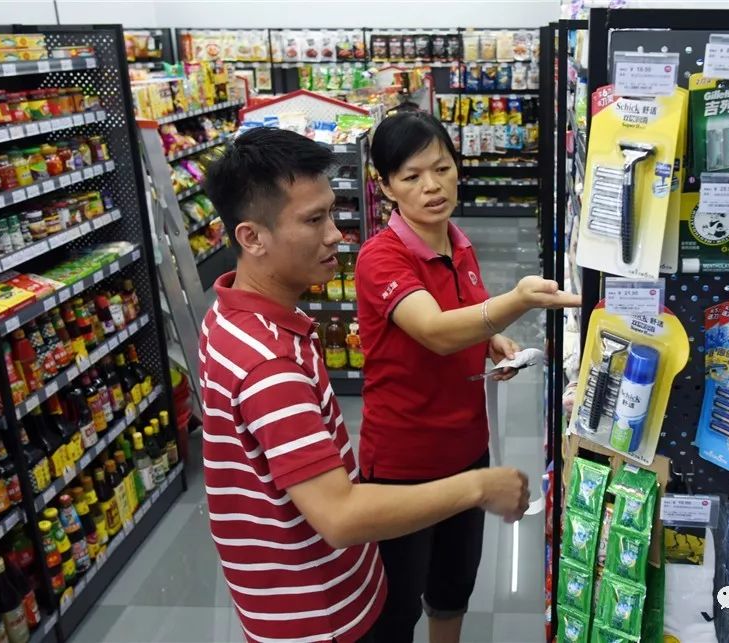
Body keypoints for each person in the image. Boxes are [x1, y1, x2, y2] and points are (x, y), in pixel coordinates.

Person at [199, 127, 531, 643]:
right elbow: (339, 515)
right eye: (314, 220)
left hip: (309, 591)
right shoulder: (270, 364)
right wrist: (480, 487)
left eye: (331, 213)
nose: (336, 234)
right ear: (252, 237)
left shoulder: (231, 319)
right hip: (320, 615)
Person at [355, 111, 582, 643]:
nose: (432, 186)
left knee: (452, 591)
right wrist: (517, 301)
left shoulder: (457, 243)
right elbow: (434, 330)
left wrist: (487, 341)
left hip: (467, 450)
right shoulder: (380, 258)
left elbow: (460, 317)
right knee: (394, 612)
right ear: (385, 186)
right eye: (411, 176)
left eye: (442, 168)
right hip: (404, 465)